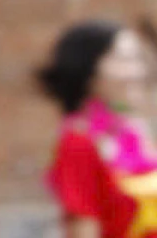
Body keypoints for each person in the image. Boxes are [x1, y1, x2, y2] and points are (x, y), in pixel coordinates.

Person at [42, 22, 157, 238]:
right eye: (124, 60)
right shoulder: (79, 142)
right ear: (90, 68)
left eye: (137, 60)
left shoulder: (131, 130)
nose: (137, 71)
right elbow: (83, 228)